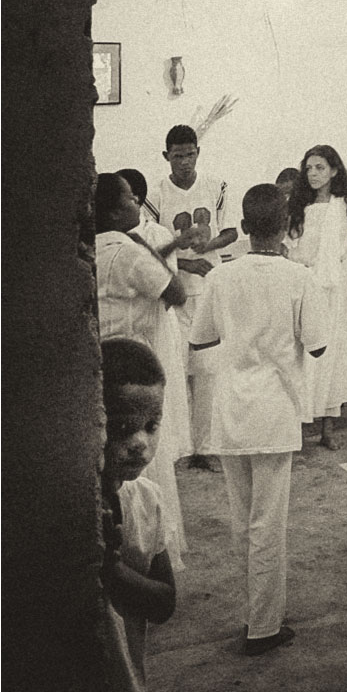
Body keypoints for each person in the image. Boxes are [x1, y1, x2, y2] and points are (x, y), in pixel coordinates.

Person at [189, 184, 328, 656]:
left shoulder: (221, 278)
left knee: (242, 521)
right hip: (274, 411)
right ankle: (264, 626)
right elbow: (318, 345)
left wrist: (242, 331)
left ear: (244, 229)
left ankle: (254, 615)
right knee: (269, 523)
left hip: (231, 410)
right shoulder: (299, 277)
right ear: (287, 227)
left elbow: (201, 338)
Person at [96, 173, 189, 569]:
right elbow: (176, 293)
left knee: (107, 460)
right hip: (135, 366)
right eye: (132, 199)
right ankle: (151, 554)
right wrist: (150, 247)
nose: (139, 204)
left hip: (101, 365)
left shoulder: (88, 248)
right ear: (117, 211)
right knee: (147, 459)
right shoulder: (128, 251)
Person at [285, 145, 347, 449]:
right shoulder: (297, 206)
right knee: (302, 354)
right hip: (304, 286)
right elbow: (287, 247)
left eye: (320, 168)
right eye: (309, 168)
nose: (313, 174)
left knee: (332, 355)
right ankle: (296, 428)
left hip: (336, 290)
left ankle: (327, 428)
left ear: (334, 171)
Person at [157, 125, 238, 471]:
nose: (185, 162)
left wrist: (211, 246)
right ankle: (179, 450)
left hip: (207, 292)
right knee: (174, 372)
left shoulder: (216, 186)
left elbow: (232, 230)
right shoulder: (156, 194)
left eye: (190, 154)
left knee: (207, 373)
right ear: (167, 157)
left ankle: (206, 447)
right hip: (173, 293)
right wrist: (187, 260)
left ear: (198, 153)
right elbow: (150, 246)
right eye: (178, 156)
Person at [100, 337, 176, 690]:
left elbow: (164, 603)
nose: (141, 443)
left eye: (151, 425)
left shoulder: (148, 500)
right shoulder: (74, 508)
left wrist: (110, 571)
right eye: (123, 429)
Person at [116, 169, 193, 467]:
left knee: (161, 387)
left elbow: (167, 283)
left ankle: (165, 454)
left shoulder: (157, 234)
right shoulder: (111, 238)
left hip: (158, 319)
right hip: (130, 326)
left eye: (134, 199)